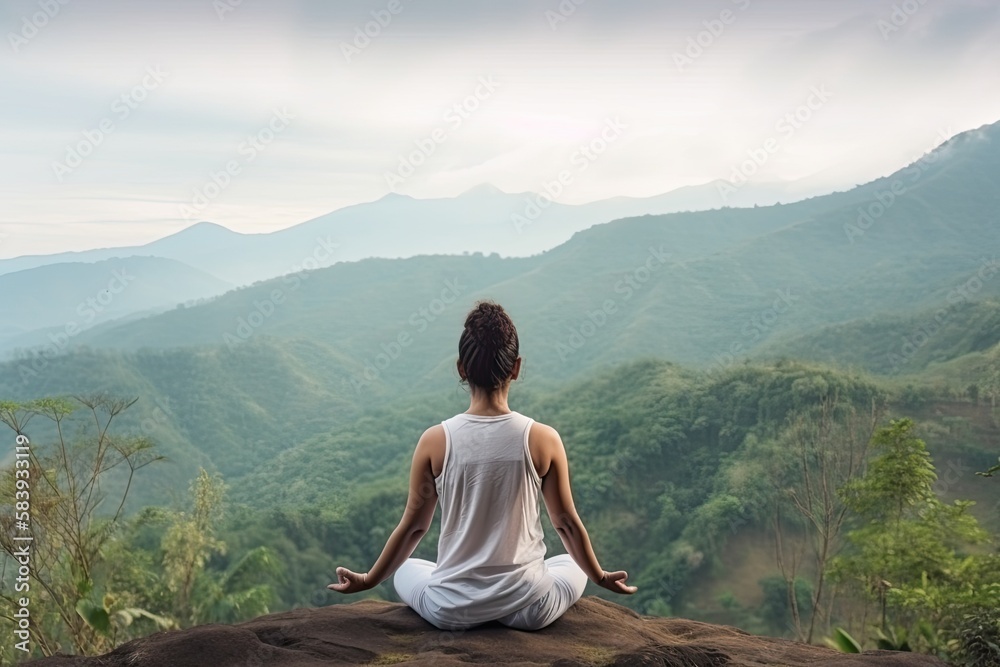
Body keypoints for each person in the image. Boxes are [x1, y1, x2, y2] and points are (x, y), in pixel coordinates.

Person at [328, 300, 636, 630]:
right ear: (516, 368)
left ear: (462, 368)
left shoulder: (435, 441)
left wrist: (369, 579)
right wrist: (600, 576)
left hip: (452, 609)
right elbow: (566, 525)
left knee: (405, 568)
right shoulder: (542, 439)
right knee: (569, 563)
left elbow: (414, 528)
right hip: (530, 608)